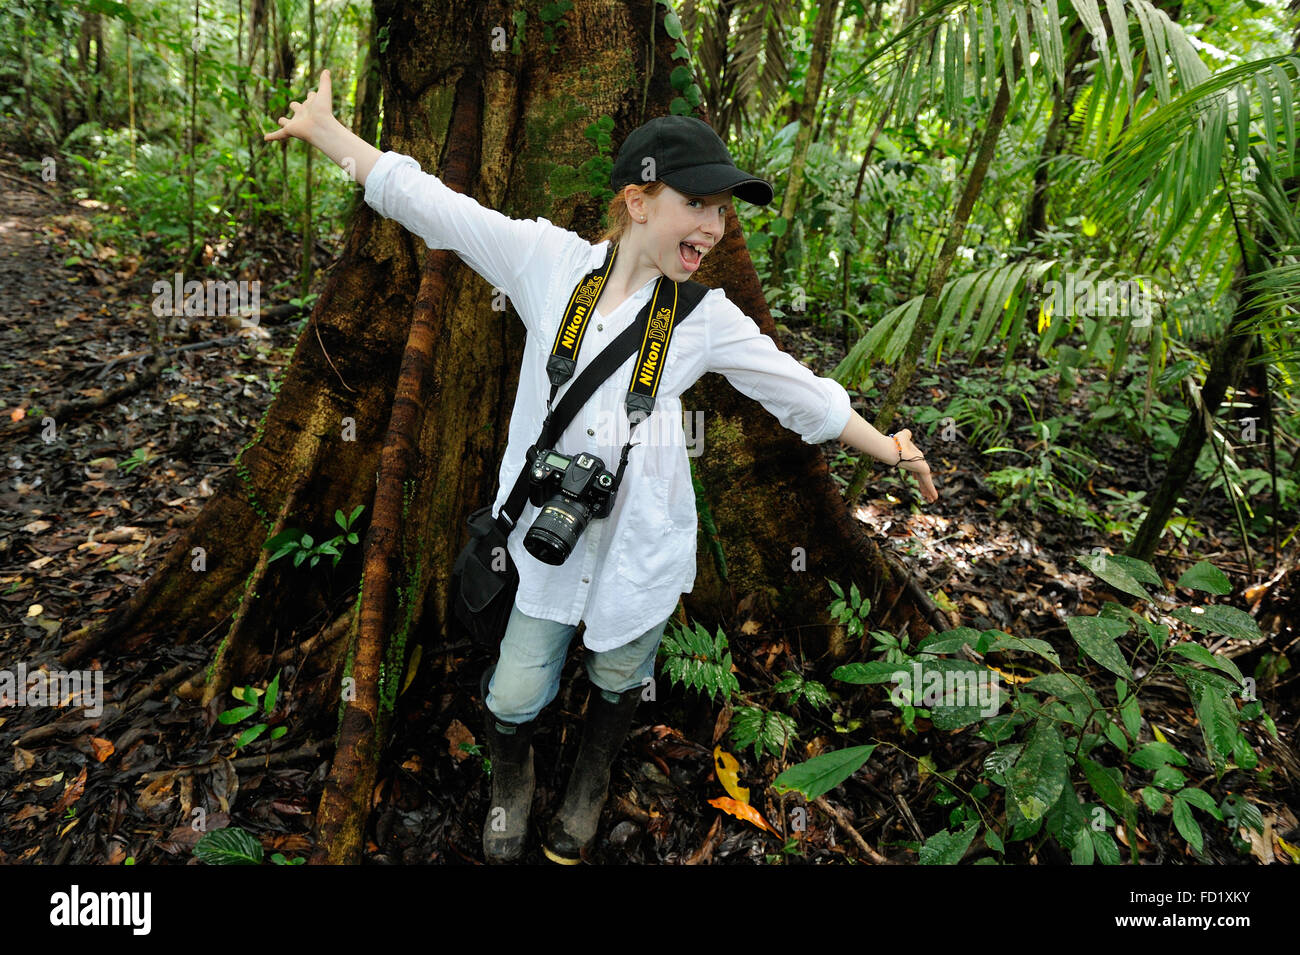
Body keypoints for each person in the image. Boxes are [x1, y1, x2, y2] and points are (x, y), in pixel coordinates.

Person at [267, 69, 938, 864]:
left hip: (639, 541)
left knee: (621, 675)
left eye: (722, 211)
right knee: (516, 687)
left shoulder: (704, 318)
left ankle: (588, 781)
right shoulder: (547, 264)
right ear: (638, 199)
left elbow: (799, 392)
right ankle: (512, 782)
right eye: (700, 204)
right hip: (546, 535)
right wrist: (328, 134)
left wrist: (889, 447)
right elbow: (436, 207)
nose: (716, 227)